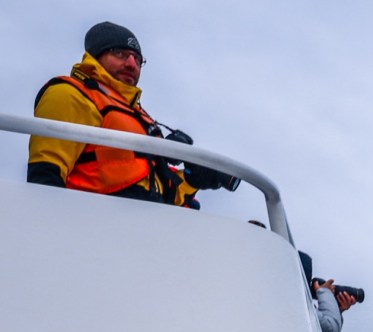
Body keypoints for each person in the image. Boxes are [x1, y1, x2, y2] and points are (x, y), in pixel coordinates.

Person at [27, 22, 236, 206]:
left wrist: (193, 181)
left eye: (137, 59)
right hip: (94, 226)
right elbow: (45, 177)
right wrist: (52, 229)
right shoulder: (71, 94)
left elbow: (159, 195)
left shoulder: (139, 116)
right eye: (120, 54)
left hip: (141, 232)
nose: (131, 64)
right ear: (97, 56)